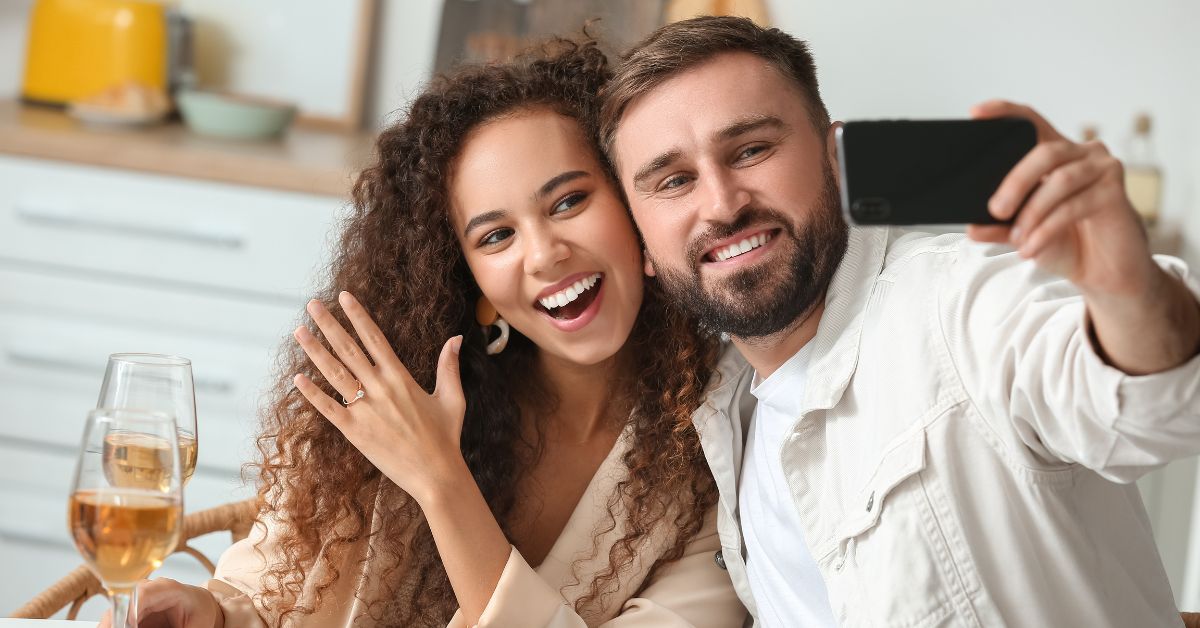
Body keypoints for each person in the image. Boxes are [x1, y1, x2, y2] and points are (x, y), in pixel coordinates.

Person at [102, 39, 747, 628]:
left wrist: (439, 479)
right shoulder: (396, 389)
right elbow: (279, 582)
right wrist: (210, 614)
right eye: (496, 236)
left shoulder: (721, 455)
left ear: (636, 202)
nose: (545, 254)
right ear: (471, 280)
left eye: (569, 201)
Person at [599, 15, 1200, 628]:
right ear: (642, 243)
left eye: (752, 150)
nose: (723, 204)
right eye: (674, 182)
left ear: (834, 157)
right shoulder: (722, 411)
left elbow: (1159, 406)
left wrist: (1129, 291)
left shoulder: (960, 303)